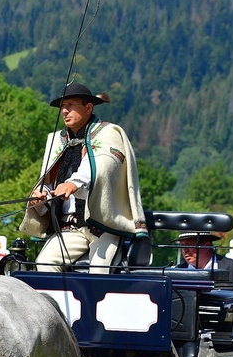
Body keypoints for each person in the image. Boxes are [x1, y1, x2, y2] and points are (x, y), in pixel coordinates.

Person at [20, 82, 148, 274]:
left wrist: (73, 183)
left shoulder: (108, 133)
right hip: (69, 226)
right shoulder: (56, 140)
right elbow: (50, 183)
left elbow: (104, 165)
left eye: (70, 105)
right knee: (44, 264)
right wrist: (41, 201)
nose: (64, 111)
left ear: (88, 108)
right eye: (63, 106)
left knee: (99, 272)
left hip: (103, 226)